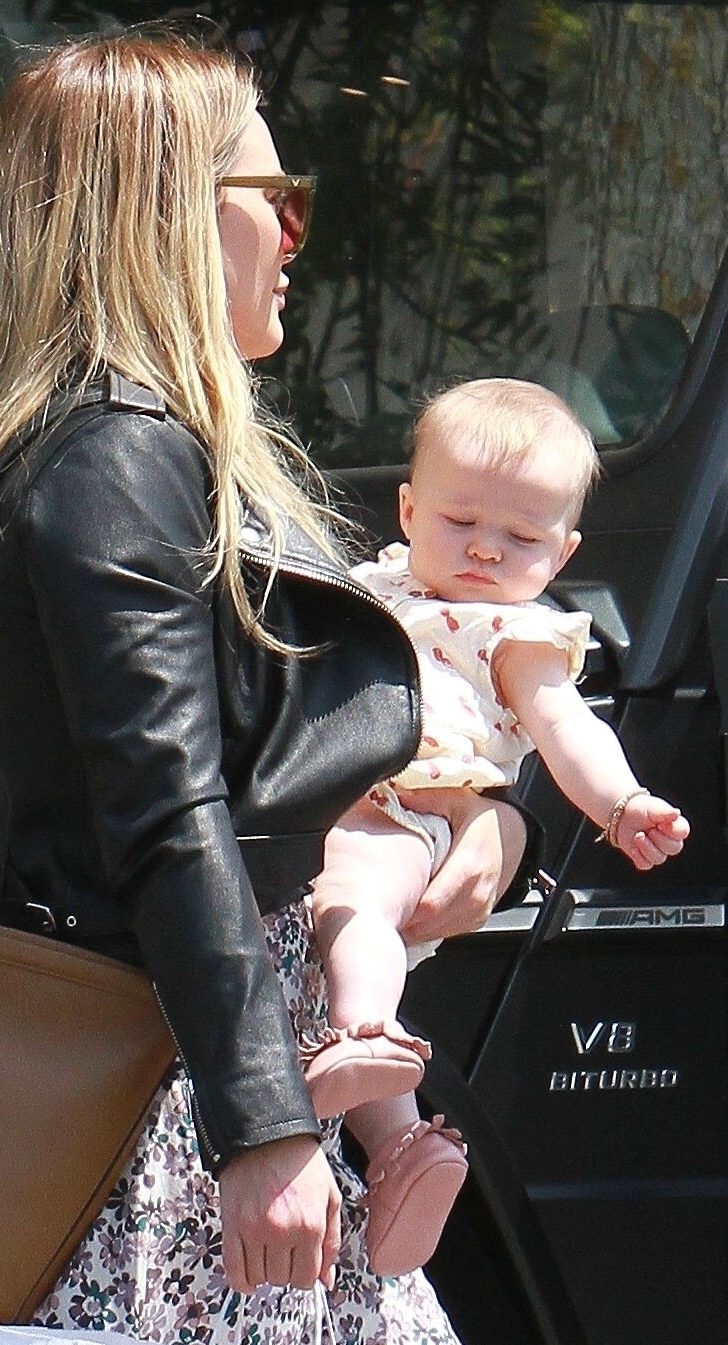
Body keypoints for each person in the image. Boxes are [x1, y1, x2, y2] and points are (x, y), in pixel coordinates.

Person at [0, 32, 535, 1343]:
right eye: (276, 200)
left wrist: (481, 820)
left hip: (191, 1085)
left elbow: (259, 767)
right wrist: (262, 1127)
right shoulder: (114, 454)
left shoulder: (129, 443)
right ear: (169, 218)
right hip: (156, 1106)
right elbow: (165, 810)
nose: (297, 238)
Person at [305, 377, 690, 1277]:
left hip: (411, 806)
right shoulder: (373, 586)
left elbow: (566, 729)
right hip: (335, 796)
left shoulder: (510, 632)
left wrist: (619, 803)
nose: (484, 548)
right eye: (459, 520)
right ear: (407, 510)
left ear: (562, 553)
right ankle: (404, 1150)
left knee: (351, 900)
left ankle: (367, 1035)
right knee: (328, 955)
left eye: (520, 538)